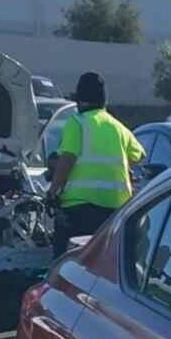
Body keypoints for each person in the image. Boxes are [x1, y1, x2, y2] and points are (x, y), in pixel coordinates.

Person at [45, 71, 145, 254]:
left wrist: (52, 191)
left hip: (79, 208)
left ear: (80, 101)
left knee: (68, 262)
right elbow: (139, 155)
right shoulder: (118, 127)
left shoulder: (77, 122)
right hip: (116, 210)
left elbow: (67, 158)